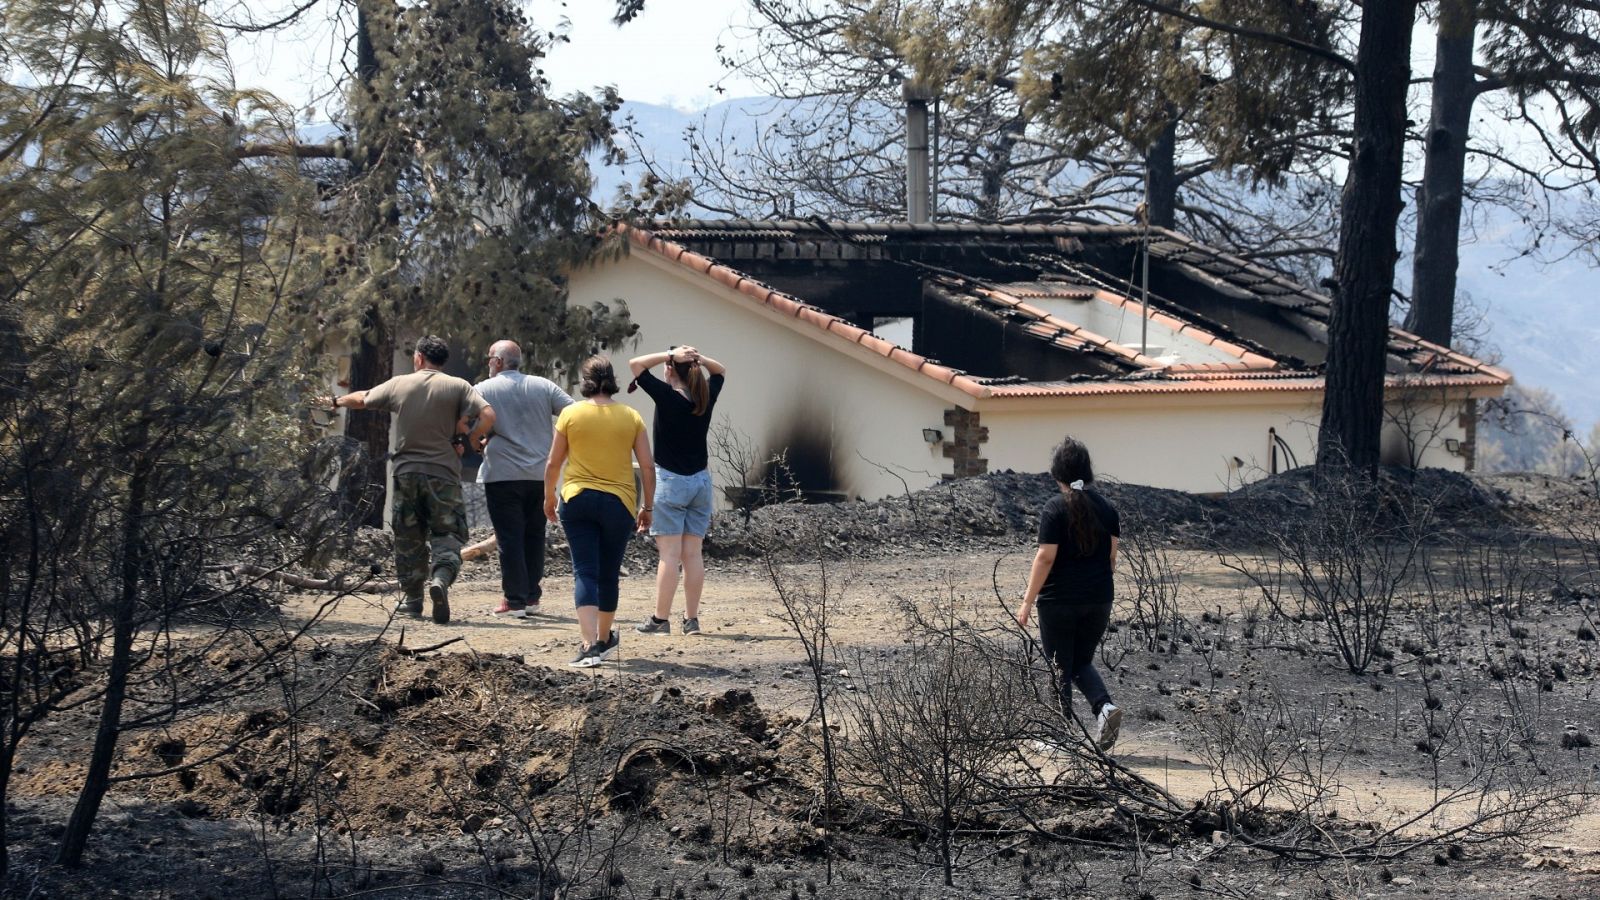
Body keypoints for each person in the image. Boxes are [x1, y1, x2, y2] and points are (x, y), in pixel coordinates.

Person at [329, 335, 494, 625]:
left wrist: (335, 400)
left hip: (406, 473)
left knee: (409, 539)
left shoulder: (399, 383)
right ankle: (441, 579)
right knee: (447, 534)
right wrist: (468, 438)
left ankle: (413, 601)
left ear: (418, 358)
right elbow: (488, 414)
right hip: (443, 473)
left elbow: (363, 398)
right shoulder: (459, 386)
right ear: (442, 360)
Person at [544, 356, 654, 668]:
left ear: (586, 381)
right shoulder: (631, 416)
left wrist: (548, 497)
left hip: (577, 498)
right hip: (619, 502)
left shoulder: (570, 413)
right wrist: (648, 507)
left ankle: (589, 644)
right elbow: (647, 465)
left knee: (585, 571)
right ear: (612, 380)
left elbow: (553, 463)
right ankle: (604, 640)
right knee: (608, 573)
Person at [1015, 437, 1124, 751]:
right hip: (1099, 599)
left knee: (1058, 665)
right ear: (1088, 472)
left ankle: (1058, 734)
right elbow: (1111, 558)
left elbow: (1046, 557)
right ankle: (1104, 708)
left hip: (1059, 602)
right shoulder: (1108, 508)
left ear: (1056, 474)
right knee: (1078, 661)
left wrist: (1027, 601)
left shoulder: (1053, 508)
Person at [627, 345, 727, 636]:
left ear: (670, 369)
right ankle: (691, 620)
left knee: (668, 556)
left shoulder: (666, 396)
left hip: (671, 482)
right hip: (701, 482)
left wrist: (668, 354)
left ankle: (660, 620)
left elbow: (635, 364)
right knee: (692, 555)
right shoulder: (704, 397)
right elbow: (720, 371)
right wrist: (698, 359)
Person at [474, 339, 573, 618]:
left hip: (503, 474)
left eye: (489, 359)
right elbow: (574, 412)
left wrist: (481, 437)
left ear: (497, 362)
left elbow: (467, 419)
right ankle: (531, 597)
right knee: (534, 534)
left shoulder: (482, 389)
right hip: (541, 474)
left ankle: (514, 600)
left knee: (510, 537)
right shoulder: (544, 386)